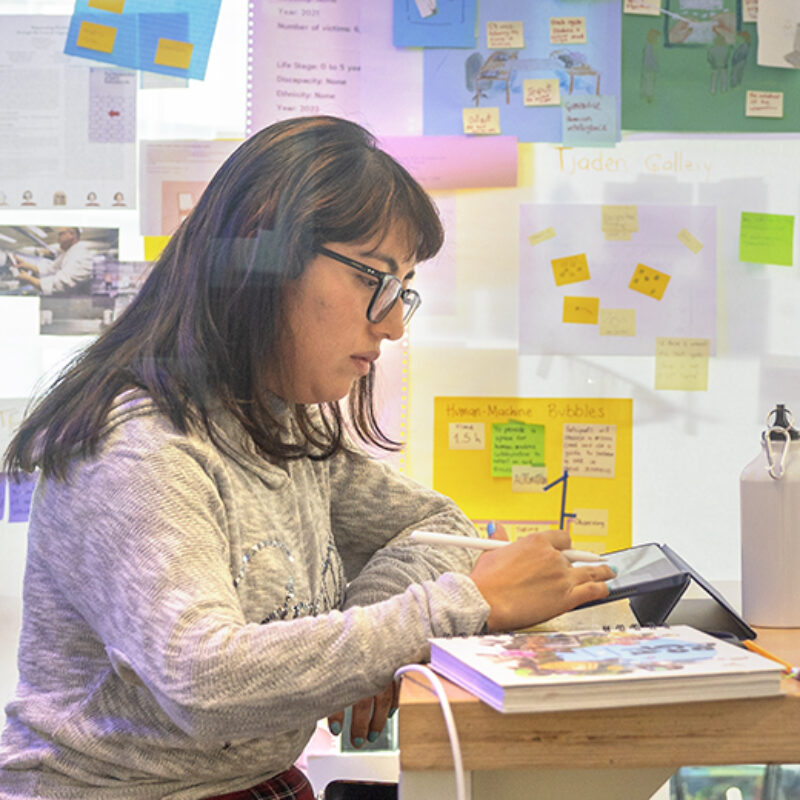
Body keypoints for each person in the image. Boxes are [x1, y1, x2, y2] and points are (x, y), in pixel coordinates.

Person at [0, 116, 613, 800]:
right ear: (267, 260)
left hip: (249, 780)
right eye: (375, 278)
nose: (393, 324)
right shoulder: (136, 450)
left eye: (404, 288)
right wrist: (463, 606)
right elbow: (205, 684)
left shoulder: (271, 420)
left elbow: (436, 527)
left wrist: (374, 636)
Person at [14, 227, 94, 295]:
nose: (58, 239)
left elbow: (62, 284)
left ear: (72, 234)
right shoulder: (68, 253)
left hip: (77, 303)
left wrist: (29, 279)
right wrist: (25, 264)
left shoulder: (80, 255)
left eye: (60, 234)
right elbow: (51, 267)